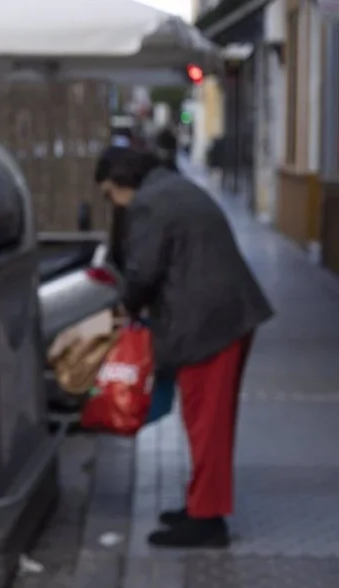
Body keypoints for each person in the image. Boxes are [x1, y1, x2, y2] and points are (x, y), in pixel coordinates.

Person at [94, 147, 274, 548]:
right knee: (205, 420)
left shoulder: (148, 204)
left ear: (122, 182)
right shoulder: (171, 187)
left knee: (207, 423)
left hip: (207, 324)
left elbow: (143, 271)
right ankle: (200, 505)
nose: (112, 204)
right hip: (223, 316)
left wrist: (123, 306)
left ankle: (208, 521)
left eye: (109, 194)